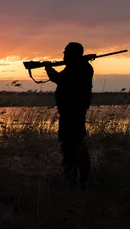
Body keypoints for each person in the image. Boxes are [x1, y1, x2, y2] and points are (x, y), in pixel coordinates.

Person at [45, 42, 94, 191]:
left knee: (72, 146)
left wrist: (49, 69)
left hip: (72, 114)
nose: (63, 55)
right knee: (74, 145)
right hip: (72, 113)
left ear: (72, 54)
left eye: (66, 52)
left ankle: (75, 183)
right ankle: (77, 182)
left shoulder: (78, 67)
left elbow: (60, 79)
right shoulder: (80, 66)